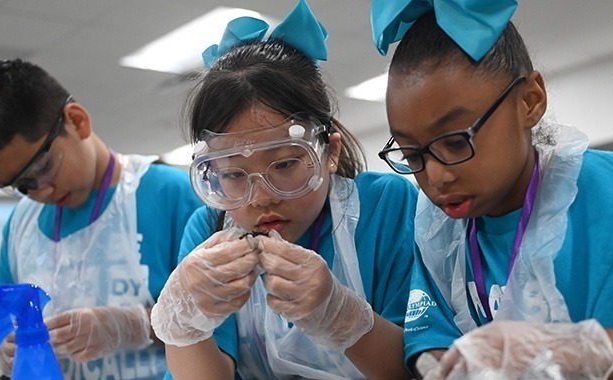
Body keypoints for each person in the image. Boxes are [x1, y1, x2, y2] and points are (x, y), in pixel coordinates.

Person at [370, 1, 613, 379]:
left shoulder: (597, 193)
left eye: (456, 142)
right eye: (411, 153)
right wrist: (444, 365)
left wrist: (567, 350)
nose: (436, 177)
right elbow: (429, 336)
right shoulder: (440, 228)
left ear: (530, 100)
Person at [150, 1, 418, 379]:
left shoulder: (385, 206)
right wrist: (184, 323)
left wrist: (342, 315)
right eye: (233, 175)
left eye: (286, 165)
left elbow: (417, 369)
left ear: (330, 152)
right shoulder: (208, 231)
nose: (262, 197)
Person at [0, 59, 203, 380]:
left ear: (77, 121)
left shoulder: (168, 194)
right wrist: (1, 344)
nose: (40, 192)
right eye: (20, 185)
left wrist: (133, 326)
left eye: (41, 170)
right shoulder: (21, 226)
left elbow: (221, 317)